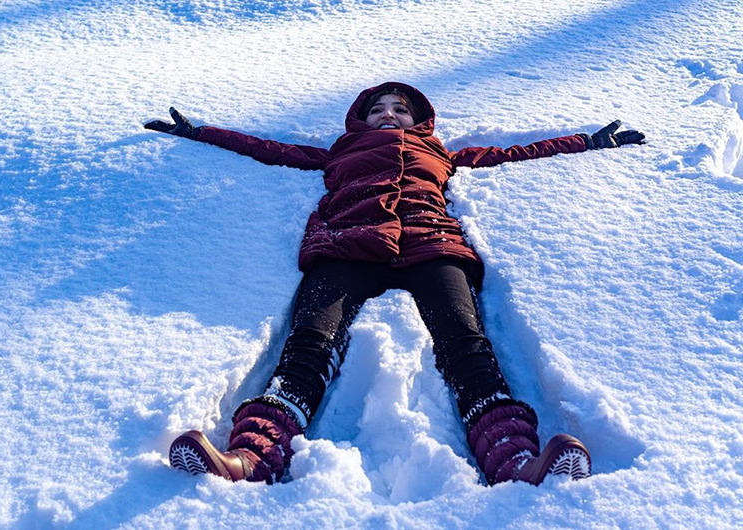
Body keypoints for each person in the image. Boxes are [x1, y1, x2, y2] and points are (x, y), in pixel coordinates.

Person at [145, 82, 645, 486]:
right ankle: (251, 458)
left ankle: (515, 461)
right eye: (377, 109)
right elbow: (266, 148)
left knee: (466, 342)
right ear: (360, 121)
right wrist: (202, 133)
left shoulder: (443, 154)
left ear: (418, 119)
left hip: (433, 246)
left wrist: (587, 142)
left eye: (400, 109)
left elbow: (514, 153)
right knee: (309, 342)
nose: (389, 115)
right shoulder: (339, 153)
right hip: (346, 244)